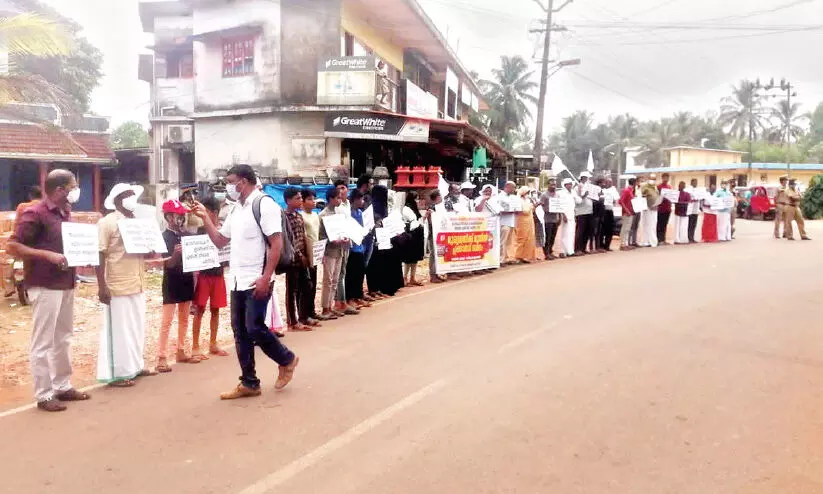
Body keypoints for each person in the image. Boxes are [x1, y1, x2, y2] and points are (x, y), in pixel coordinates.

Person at [192, 164, 299, 400]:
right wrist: (205, 218)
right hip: (237, 280)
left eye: (231, 181)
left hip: (257, 279)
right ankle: (249, 382)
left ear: (244, 181)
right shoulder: (235, 210)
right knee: (240, 332)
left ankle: (287, 359)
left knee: (254, 327)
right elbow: (220, 240)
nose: (228, 186)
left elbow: (276, 243)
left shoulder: (264, 204)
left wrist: (266, 277)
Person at [7, 170, 90, 412]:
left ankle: (62, 385)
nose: (76, 190)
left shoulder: (66, 213)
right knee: (43, 341)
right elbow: (12, 245)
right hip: (44, 285)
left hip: (66, 282)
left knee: (63, 337)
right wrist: (46, 255)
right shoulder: (35, 213)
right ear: (60, 189)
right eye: (73, 186)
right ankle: (44, 395)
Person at [96, 183, 157, 388]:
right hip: (117, 283)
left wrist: (150, 250)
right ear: (117, 199)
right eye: (127, 195)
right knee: (119, 330)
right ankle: (119, 373)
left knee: (136, 326)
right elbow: (100, 253)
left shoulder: (137, 223)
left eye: (133, 195)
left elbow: (144, 251)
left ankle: (136, 366)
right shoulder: (107, 222)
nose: (132, 199)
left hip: (137, 282)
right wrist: (101, 286)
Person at [191, 196, 229, 360]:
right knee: (199, 309)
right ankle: (195, 346)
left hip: (218, 274)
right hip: (204, 275)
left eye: (205, 212)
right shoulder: (200, 230)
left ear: (214, 213)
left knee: (216, 309)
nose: (203, 215)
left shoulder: (224, 230)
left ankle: (213, 343)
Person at [283, 187, 316, 331]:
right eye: (297, 198)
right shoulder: (283, 217)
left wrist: (307, 254)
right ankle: (292, 321)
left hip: (303, 257)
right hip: (292, 259)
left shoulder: (298, 216)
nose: (300, 201)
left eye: (300, 198)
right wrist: (298, 254)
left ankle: (304, 316)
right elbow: (287, 239)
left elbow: (302, 236)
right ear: (288, 200)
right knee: (292, 290)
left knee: (307, 286)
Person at [366, 185, 404, 296]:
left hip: (385, 238)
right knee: (374, 264)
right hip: (375, 239)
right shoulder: (372, 207)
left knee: (382, 263)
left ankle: (381, 287)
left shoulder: (385, 206)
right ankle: (374, 288)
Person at [332, 180, 358, 316]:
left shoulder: (347, 204)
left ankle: (342, 301)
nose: (341, 191)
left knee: (343, 272)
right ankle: (338, 302)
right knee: (337, 273)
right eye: (338, 188)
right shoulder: (336, 206)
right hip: (338, 242)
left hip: (348, 241)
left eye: (343, 188)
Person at [300, 189, 326, 320]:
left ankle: (312, 311)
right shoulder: (301, 216)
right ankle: (305, 313)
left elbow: (319, 234)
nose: (313, 202)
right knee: (307, 283)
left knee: (314, 282)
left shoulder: (316, 216)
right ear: (302, 202)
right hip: (307, 252)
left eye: (314, 199)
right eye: (309, 199)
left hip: (316, 251)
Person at [346, 189, 372, 306]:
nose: (362, 202)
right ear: (355, 200)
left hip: (360, 246)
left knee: (360, 273)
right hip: (352, 248)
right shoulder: (349, 213)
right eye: (360, 199)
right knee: (351, 273)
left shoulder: (360, 213)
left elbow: (362, 227)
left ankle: (358, 295)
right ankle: (350, 297)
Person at [400, 190, 426, 285]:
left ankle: (412, 278)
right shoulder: (406, 209)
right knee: (408, 258)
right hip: (411, 234)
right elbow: (413, 221)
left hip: (417, 234)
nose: (417, 201)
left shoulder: (415, 209)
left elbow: (419, 221)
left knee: (415, 258)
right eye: (416, 199)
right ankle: (405, 277)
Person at [512, 186, 537, 263]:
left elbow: (531, 211)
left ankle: (526, 256)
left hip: (529, 221)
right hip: (521, 221)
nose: (528, 194)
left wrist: (534, 206)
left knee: (529, 238)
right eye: (527, 192)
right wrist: (532, 205)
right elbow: (525, 211)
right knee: (521, 238)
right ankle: (518, 256)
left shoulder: (528, 200)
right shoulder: (518, 200)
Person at [426, 190, 446, 283]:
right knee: (433, 254)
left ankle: (437, 273)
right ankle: (432, 275)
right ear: (437, 197)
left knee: (438, 254)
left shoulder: (440, 207)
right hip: (433, 234)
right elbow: (430, 222)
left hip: (440, 232)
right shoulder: (432, 208)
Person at [539, 178, 561, 260]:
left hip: (555, 218)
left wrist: (560, 217)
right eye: (552, 184)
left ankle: (551, 251)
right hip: (547, 219)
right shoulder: (544, 195)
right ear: (548, 185)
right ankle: (546, 253)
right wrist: (547, 209)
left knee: (553, 236)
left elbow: (560, 207)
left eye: (555, 184)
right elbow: (541, 205)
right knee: (547, 237)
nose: (553, 186)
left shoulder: (557, 195)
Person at [558, 178, 581, 257]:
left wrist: (579, 192)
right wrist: (563, 215)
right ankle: (562, 251)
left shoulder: (573, 192)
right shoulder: (561, 193)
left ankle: (570, 251)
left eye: (571, 184)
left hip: (572, 215)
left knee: (571, 233)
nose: (570, 185)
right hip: (564, 216)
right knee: (564, 233)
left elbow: (579, 201)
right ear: (564, 185)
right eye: (568, 184)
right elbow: (560, 205)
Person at [496, 181, 518, 264]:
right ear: (508, 187)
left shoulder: (513, 197)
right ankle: (500, 260)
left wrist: (517, 210)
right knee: (502, 242)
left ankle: (507, 258)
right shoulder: (500, 197)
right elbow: (499, 210)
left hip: (511, 222)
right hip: (504, 222)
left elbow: (516, 208)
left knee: (509, 242)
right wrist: (508, 211)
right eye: (513, 187)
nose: (514, 189)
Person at [574, 171, 594, 255]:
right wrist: (584, 195)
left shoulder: (588, 187)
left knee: (587, 231)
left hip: (589, 211)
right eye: (585, 177)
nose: (587, 179)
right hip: (581, 212)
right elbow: (578, 200)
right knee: (580, 231)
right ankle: (577, 248)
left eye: (587, 178)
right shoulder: (577, 187)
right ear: (582, 178)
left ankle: (583, 248)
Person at [639, 174, 661, 248]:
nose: (653, 180)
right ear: (648, 179)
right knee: (646, 225)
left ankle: (653, 241)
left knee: (653, 225)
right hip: (647, 208)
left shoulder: (655, 187)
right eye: (651, 179)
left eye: (654, 179)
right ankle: (646, 241)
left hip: (655, 208)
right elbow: (641, 195)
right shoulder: (644, 187)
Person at [618, 177, 637, 251]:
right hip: (627, 213)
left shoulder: (630, 191)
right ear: (634, 183)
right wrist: (626, 210)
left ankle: (626, 243)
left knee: (627, 229)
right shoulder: (626, 191)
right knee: (625, 228)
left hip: (630, 212)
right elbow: (620, 201)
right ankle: (622, 244)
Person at [656, 172, 673, 244]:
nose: (666, 179)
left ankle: (663, 239)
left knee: (665, 224)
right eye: (665, 177)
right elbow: (657, 196)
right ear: (662, 178)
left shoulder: (669, 187)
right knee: (659, 224)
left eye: (667, 177)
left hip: (668, 208)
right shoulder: (659, 187)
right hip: (660, 208)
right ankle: (659, 239)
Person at [686, 179, 701, 243]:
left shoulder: (698, 190)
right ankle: (689, 237)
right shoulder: (688, 189)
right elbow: (690, 196)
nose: (695, 183)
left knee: (694, 225)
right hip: (690, 210)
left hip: (696, 209)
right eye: (694, 182)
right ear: (691, 183)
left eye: (696, 182)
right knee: (690, 224)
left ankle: (692, 237)